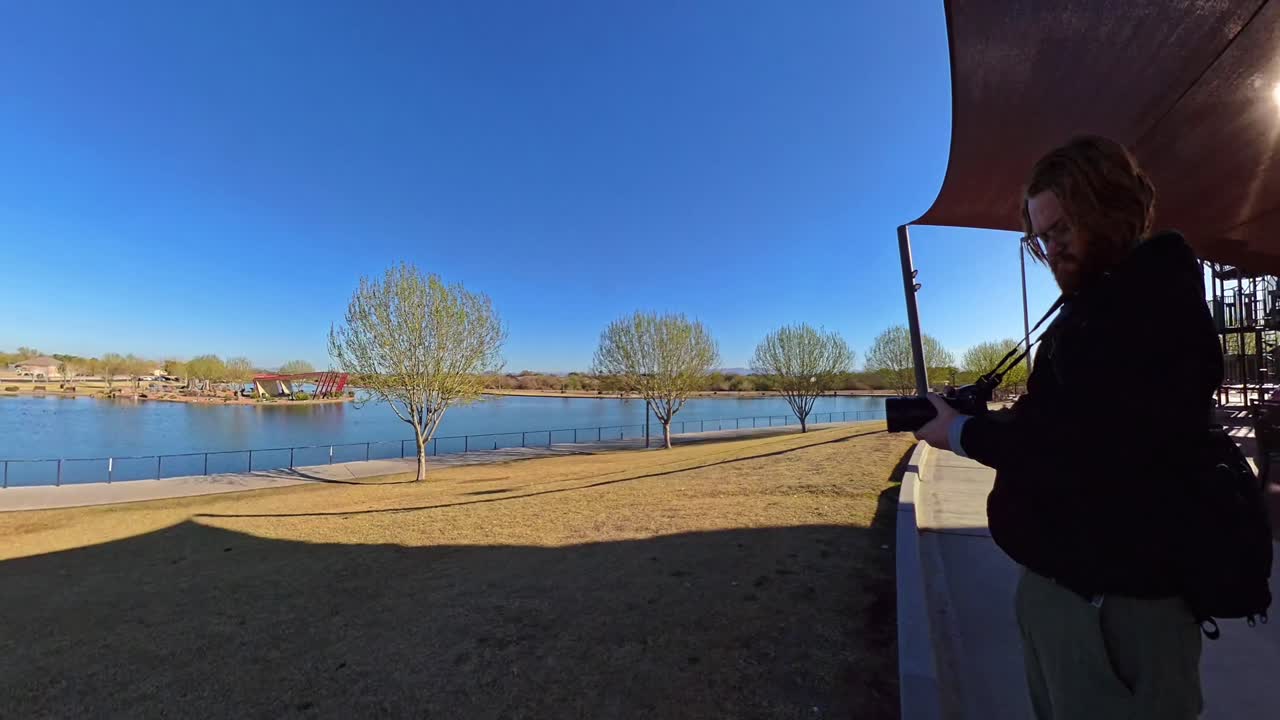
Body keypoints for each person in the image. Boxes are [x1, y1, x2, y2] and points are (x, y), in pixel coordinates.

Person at [915, 136, 1223, 719]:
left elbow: (1082, 448)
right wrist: (977, 420)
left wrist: (960, 433)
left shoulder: (1147, 305)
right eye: (1039, 239)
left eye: (1061, 231)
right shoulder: (1107, 301)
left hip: (1114, 614)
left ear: (1110, 208)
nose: (1051, 251)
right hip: (1074, 600)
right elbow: (1068, 420)